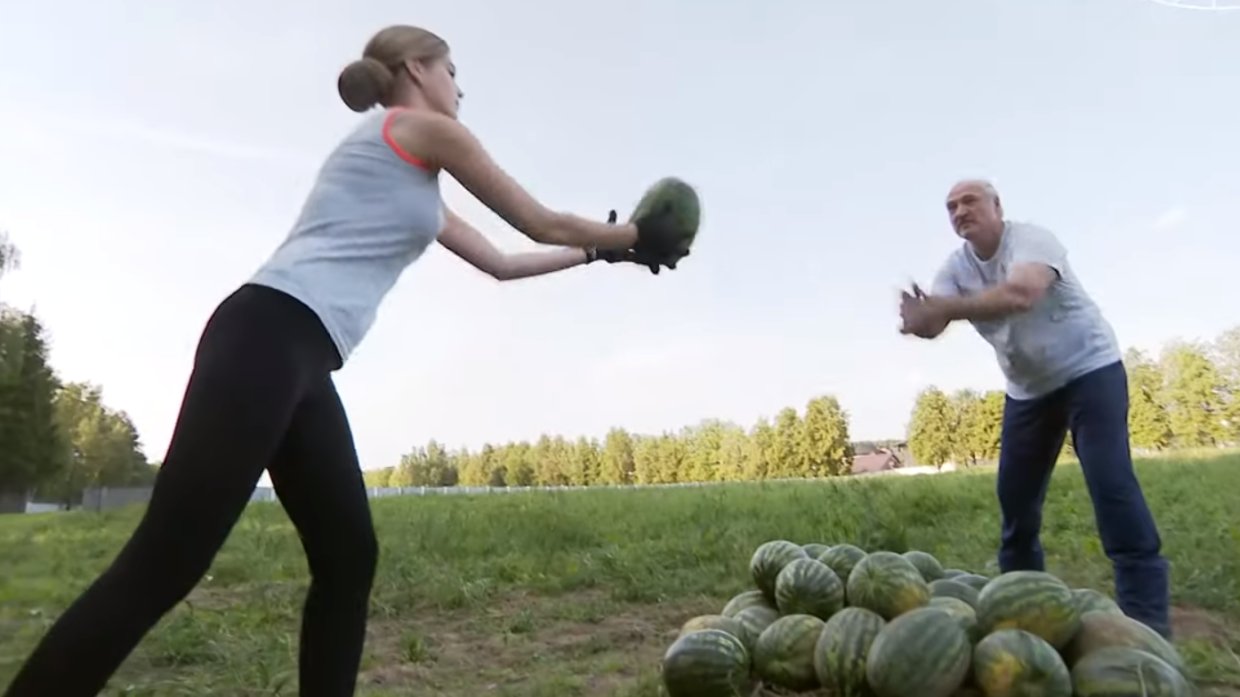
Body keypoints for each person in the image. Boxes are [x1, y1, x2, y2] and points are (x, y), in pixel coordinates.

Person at [3, 24, 690, 697]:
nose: (460, 88)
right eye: (453, 71)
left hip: (301, 359)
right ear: (418, 69)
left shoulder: (411, 177)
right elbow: (538, 219)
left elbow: (503, 263)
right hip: (266, 336)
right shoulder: (415, 129)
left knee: (347, 557)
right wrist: (634, 232)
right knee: (165, 561)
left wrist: (605, 252)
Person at [897, 179, 1172, 638]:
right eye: (951, 207)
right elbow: (936, 320)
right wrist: (919, 321)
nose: (960, 211)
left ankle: (1148, 625)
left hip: (1091, 371)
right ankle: (1025, 616)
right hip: (1028, 390)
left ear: (997, 207)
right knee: (1016, 503)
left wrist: (946, 306)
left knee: (1111, 484)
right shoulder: (956, 268)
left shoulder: (1032, 241)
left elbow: (1021, 294)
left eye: (970, 202)